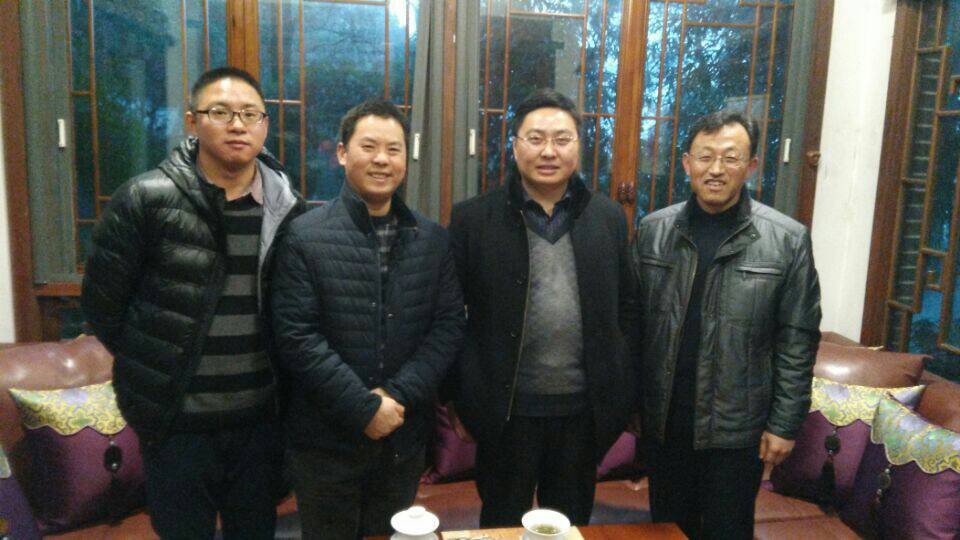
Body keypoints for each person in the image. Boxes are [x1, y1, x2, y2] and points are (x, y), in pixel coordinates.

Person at [81, 66, 305, 538]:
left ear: (265, 125)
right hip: (176, 426)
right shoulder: (145, 199)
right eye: (220, 112)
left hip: (261, 424)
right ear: (192, 121)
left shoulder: (286, 209)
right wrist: (157, 362)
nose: (237, 125)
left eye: (250, 114)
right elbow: (104, 308)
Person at [270, 99, 465, 539]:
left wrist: (395, 397)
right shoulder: (305, 235)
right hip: (325, 443)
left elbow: (448, 326)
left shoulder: (433, 240)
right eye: (369, 146)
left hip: (401, 437)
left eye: (394, 149)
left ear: (406, 159)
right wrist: (364, 408)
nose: (382, 159)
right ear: (342, 153)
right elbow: (297, 336)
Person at [445, 88, 638, 527]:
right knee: (501, 524)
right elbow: (450, 316)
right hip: (504, 413)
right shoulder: (473, 219)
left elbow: (627, 309)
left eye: (562, 139)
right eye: (535, 138)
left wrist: (621, 393)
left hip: (582, 414)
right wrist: (456, 399)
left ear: (578, 146)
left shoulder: (608, 217)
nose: (549, 151)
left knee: (569, 525)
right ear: (514, 146)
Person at [633, 110, 822, 539]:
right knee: (667, 532)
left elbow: (797, 340)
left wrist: (784, 424)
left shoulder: (786, 239)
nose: (716, 169)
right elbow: (634, 328)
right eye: (705, 156)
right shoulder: (653, 231)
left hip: (737, 432)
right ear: (687, 163)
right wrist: (631, 406)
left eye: (730, 157)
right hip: (666, 426)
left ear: (751, 166)